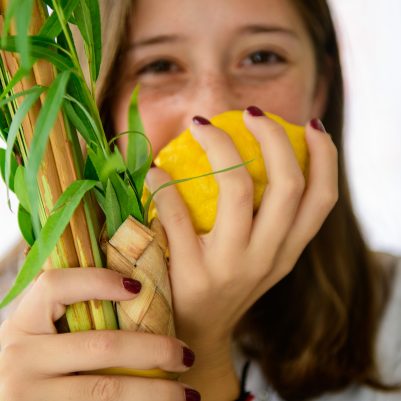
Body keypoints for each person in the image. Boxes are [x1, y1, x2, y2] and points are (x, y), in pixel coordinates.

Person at [0, 0, 400, 400]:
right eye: (159, 66)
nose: (214, 108)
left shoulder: (392, 317)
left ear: (321, 88)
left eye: (262, 57)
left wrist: (196, 352)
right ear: (101, 104)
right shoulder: (20, 329)